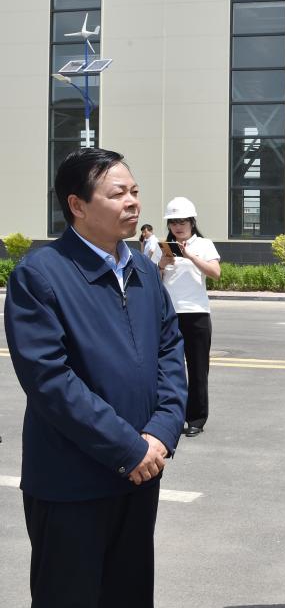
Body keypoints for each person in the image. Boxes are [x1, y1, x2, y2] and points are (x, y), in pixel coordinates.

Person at [4, 147, 188, 607]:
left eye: (135, 191)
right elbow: (51, 382)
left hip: (140, 475)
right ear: (77, 205)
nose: (133, 202)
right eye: (118, 193)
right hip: (72, 482)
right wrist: (128, 448)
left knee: (129, 594)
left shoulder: (144, 271)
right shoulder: (39, 276)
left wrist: (161, 433)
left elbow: (170, 353)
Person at [155, 197, 221, 437]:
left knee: (198, 369)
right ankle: (169, 416)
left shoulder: (204, 244)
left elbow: (215, 273)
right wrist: (162, 264)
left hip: (196, 314)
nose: (178, 226)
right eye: (173, 222)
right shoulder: (162, 247)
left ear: (192, 222)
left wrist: (190, 256)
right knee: (168, 368)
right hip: (169, 314)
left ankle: (196, 419)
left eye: (182, 222)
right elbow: (153, 281)